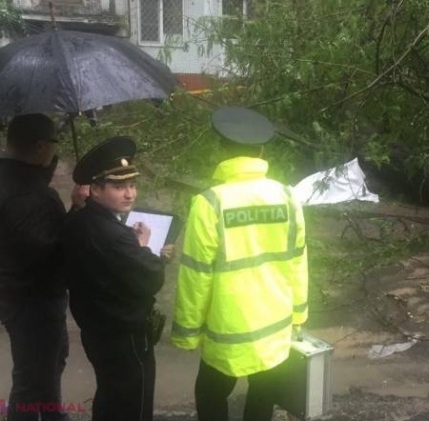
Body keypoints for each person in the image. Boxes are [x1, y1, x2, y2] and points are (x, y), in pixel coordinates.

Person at [171, 107, 309, 421]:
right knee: (263, 394)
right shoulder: (288, 197)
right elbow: (297, 261)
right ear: (261, 152)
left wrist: (187, 332)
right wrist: (298, 314)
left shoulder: (210, 202)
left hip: (228, 327)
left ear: (223, 151)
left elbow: (196, 274)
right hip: (275, 323)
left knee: (210, 392)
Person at [62, 136, 174, 421]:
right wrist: (145, 248)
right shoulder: (115, 236)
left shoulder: (79, 220)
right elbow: (151, 279)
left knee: (110, 396)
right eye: (118, 187)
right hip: (125, 336)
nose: (129, 194)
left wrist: (137, 250)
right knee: (133, 404)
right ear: (95, 190)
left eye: (132, 185)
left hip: (96, 329)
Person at [0, 113, 87, 421]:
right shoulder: (28, 193)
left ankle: (54, 415)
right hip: (33, 298)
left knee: (50, 362)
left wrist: (41, 177)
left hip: (9, 288)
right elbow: (51, 251)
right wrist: (77, 208)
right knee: (32, 378)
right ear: (41, 147)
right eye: (54, 144)